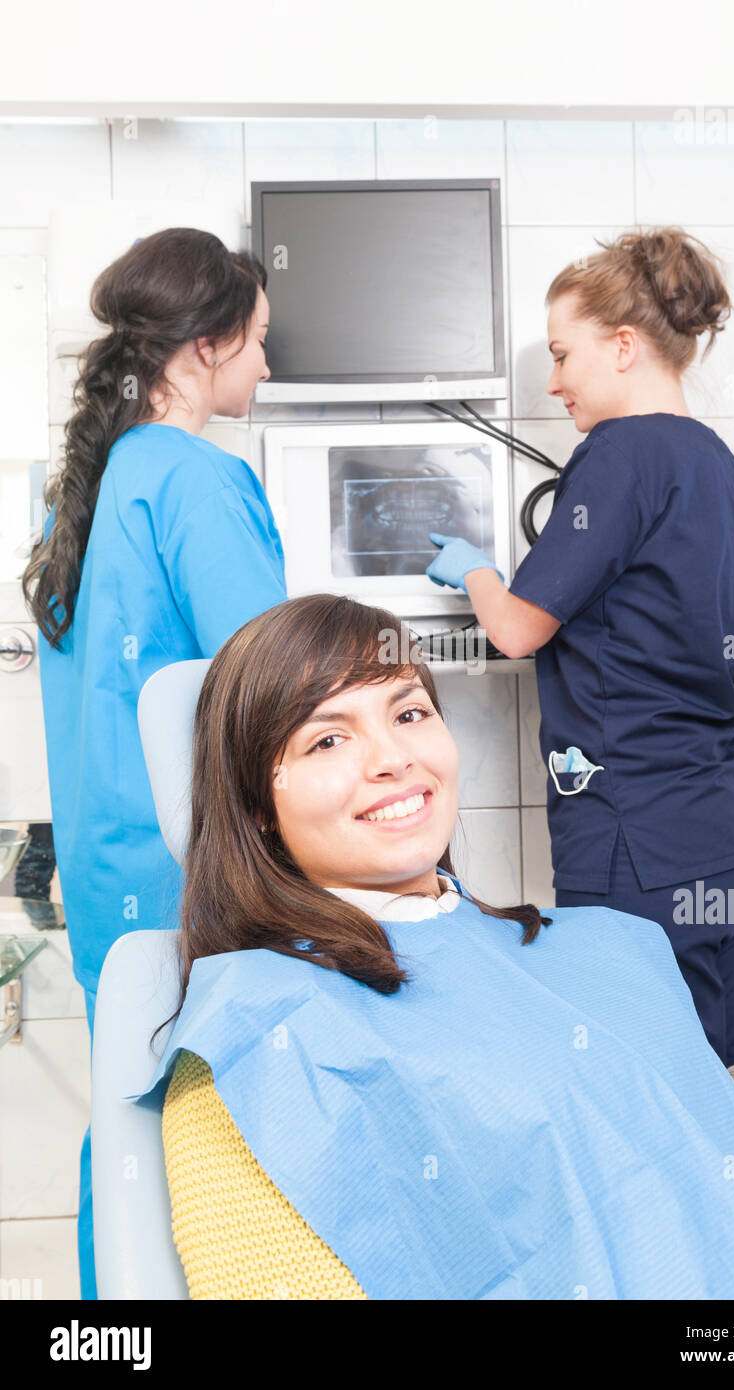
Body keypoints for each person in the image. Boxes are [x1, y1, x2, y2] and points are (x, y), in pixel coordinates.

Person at [134, 594, 734, 1300]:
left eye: (409, 713)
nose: (393, 758)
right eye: (327, 739)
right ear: (258, 804)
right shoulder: (258, 1028)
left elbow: (722, 1195)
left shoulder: (610, 947)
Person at [426, 227, 734, 1072]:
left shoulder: (619, 456)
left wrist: (478, 572)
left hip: (639, 839)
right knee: (720, 1069)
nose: (553, 382)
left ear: (623, 345)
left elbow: (516, 628)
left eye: (562, 356)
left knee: (634, 1080)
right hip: (730, 838)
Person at [21, 227, 288, 1299]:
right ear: (200, 351)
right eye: (259, 341)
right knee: (212, 1137)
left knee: (128, 1130)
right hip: (198, 880)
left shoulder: (82, 491)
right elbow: (278, 687)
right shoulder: (194, 478)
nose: (268, 365)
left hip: (107, 878)